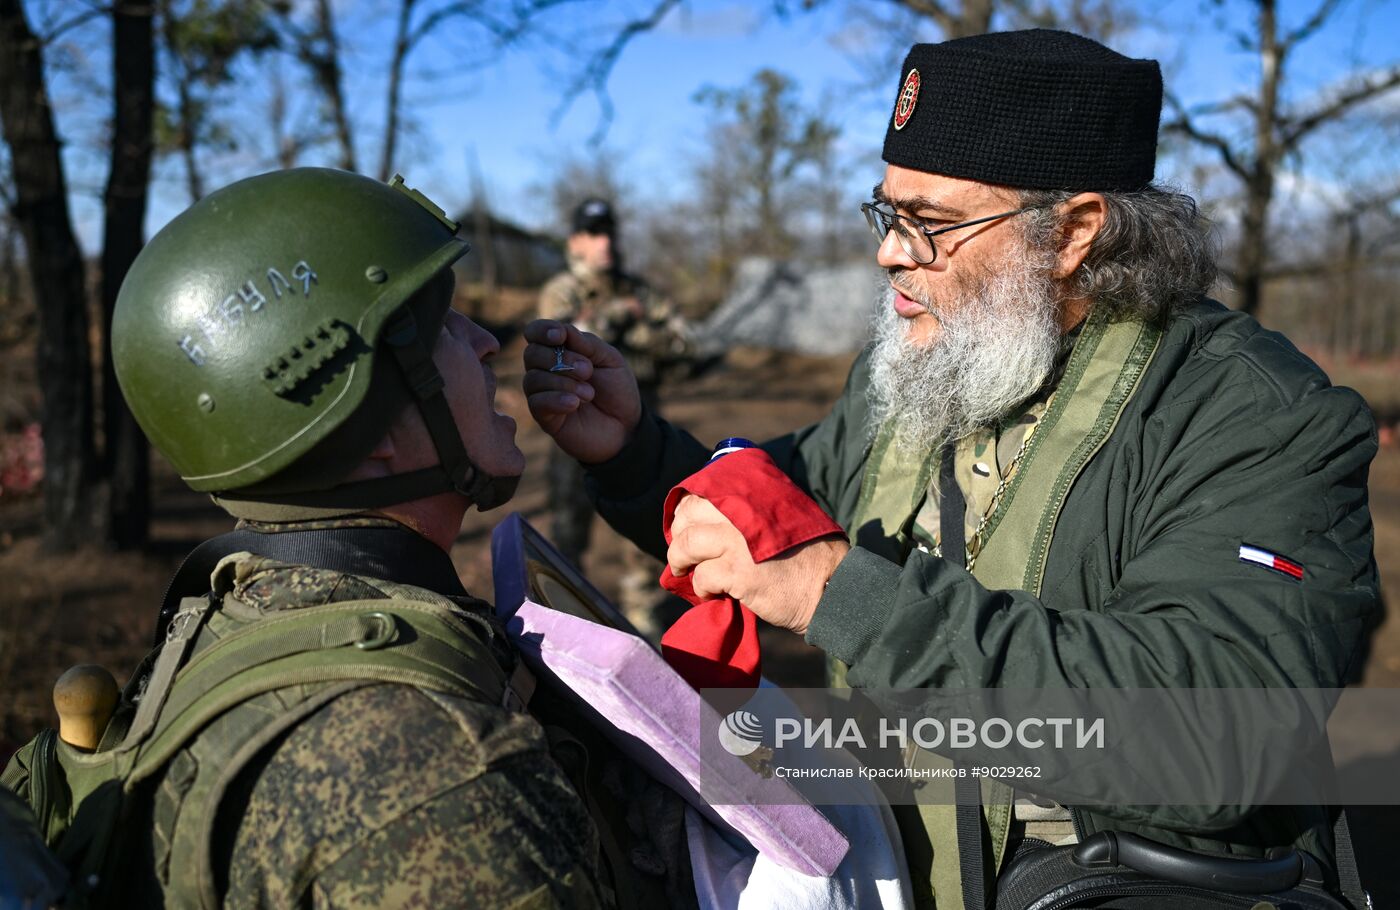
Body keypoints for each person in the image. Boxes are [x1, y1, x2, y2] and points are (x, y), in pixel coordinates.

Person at [523, 29, 1380, 908]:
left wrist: (839, 594)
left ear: (1073, 232)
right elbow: (785, 512)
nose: (891, 251)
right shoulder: (923, 363)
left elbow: (1211, 738)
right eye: (887, 213)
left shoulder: (1259, 417)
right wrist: (635, 453)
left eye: (930, 224)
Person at [21, 168, 688, 907]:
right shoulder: (432, 780)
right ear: (357, 425)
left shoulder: (242, 610)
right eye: (442, 327)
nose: (487, 343)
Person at [538, 198, 685, 630]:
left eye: (610, 232)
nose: (606, 243)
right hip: (576, 435)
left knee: (647, 546)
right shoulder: (562, 290)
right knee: (568, 540)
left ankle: (648, 635)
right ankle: (571, 633)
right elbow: (567, 344)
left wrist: (630, 331)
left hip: (642, 433)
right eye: (594, 233)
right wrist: (624, 319)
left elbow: (686, 344)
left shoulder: (640, 290)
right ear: (576, 242)